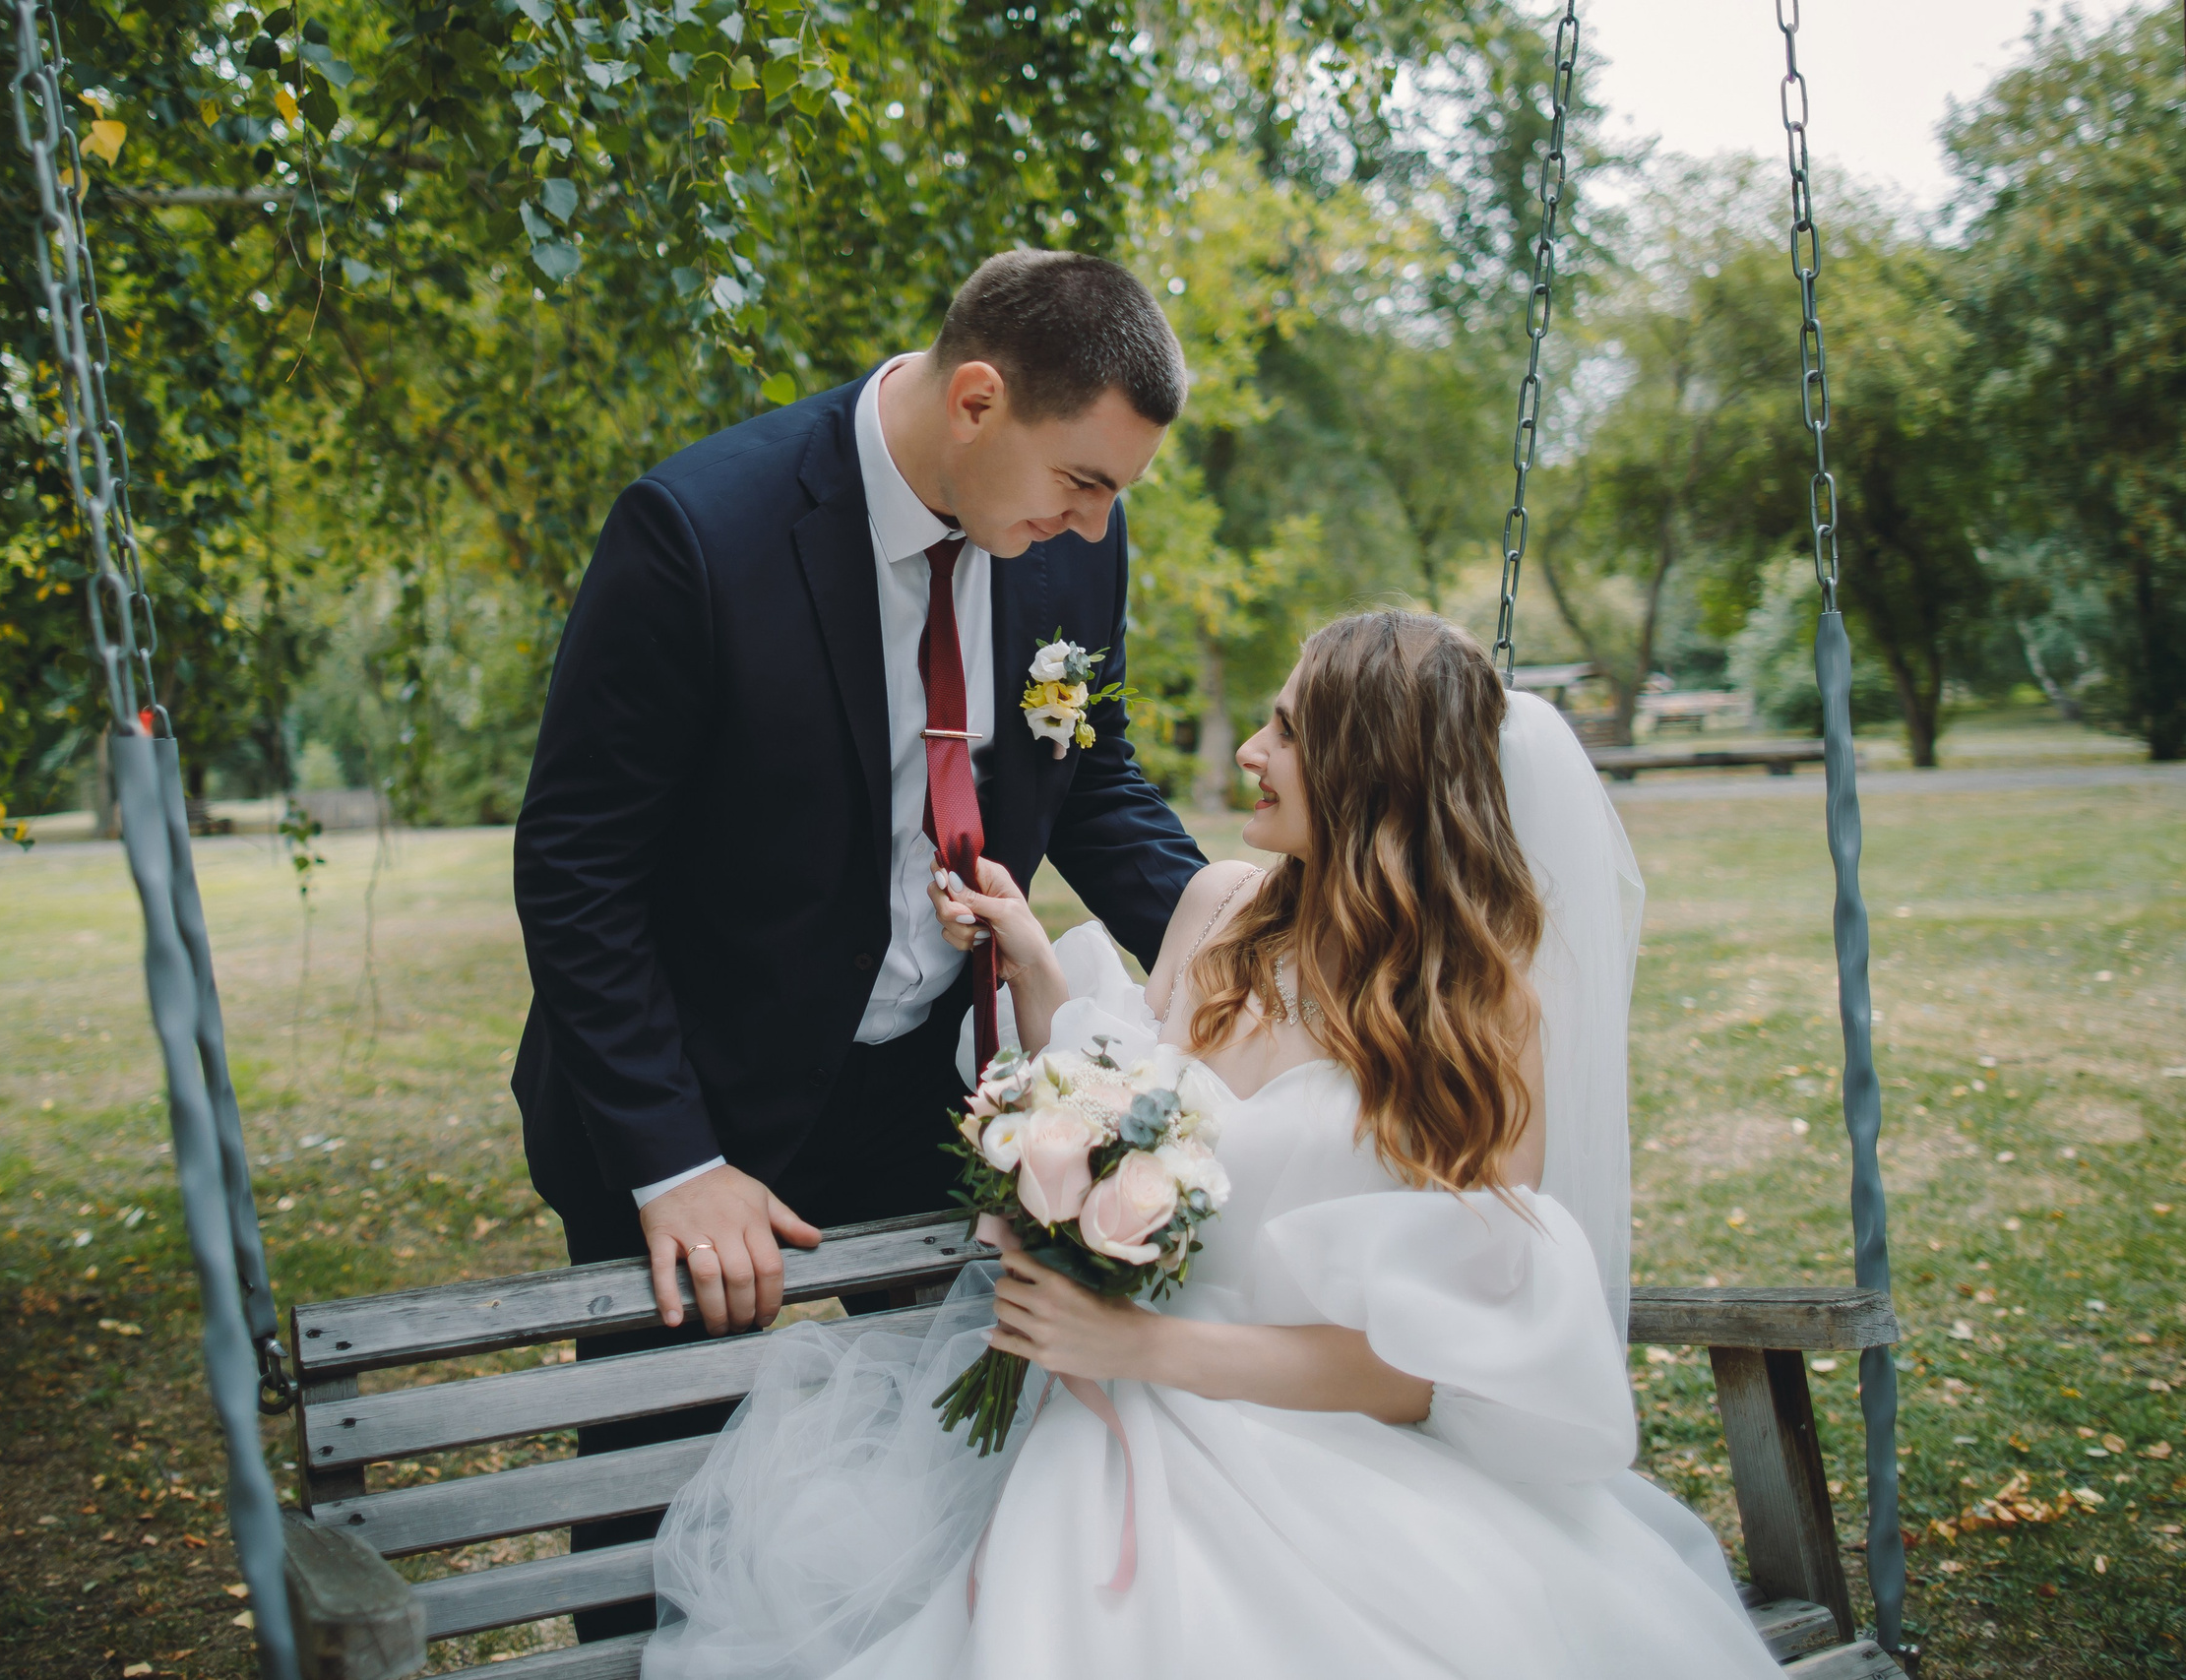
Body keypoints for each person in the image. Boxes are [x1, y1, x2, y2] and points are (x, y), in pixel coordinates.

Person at [643, 610, 1787, 1678]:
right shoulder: (1224, 909)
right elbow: (1117, 1102)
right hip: (1095, 1412)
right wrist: (1032, 961)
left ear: (1372, 770)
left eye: (1287, 730)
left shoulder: (1478, 1020)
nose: (1249, 747)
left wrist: (1140, 1348)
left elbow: (1418, 1372)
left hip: (1321, 1451)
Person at [512, 250, 1211, 1637]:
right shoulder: (698, 530)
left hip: (924, 1084)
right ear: (974, 400)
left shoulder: (1072, 543)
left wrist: (1248, 951)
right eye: (1081, 480)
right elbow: (576, 863)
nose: (1091, 523)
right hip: (693, 1099)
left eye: (1112, 494)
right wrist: (675, 1160)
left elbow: (1095, 773)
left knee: (954, 1459)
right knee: (659, 1509)